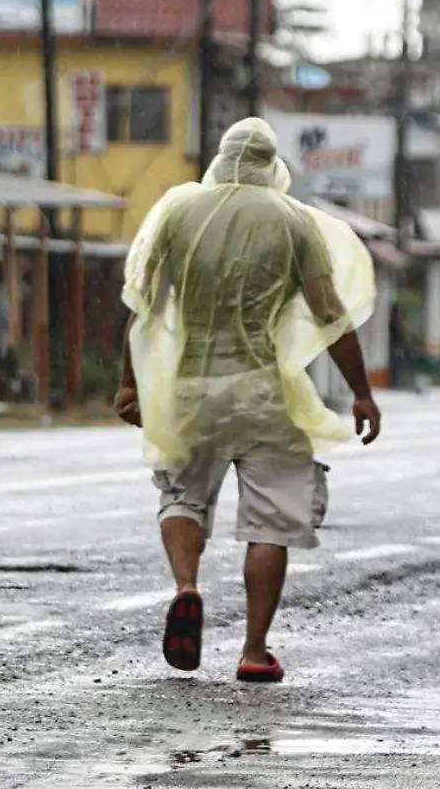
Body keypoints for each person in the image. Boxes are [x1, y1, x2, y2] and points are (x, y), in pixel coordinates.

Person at [116, 118, 382, 683]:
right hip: (261, 391)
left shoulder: (180, 213)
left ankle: (187, 587)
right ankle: (255, 651)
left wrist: (129, 382)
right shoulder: (292, 221)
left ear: (220, 158)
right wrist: (361, 393)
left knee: (182, 497)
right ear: (270, 165)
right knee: (270, 522)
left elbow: (147, 310)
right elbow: (331, 318)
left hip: (192, 390)